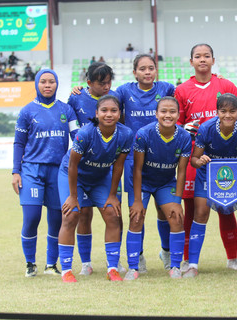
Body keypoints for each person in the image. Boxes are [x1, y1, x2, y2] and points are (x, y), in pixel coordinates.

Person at [175, 43, 237, 272]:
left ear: (213, 60)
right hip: (195, 159)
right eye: (198, 56)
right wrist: (185, 128)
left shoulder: (226, 85)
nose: (202, 59)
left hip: (226, 159)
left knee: (227, 206)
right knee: (192, 210)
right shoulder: (182, 90)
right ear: (191, 62)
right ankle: (188, 259)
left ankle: (232, 259)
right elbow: (176, 124)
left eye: (207, 56)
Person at [183, 93, 237, 278]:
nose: (228, 115)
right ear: (217, 111)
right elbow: (194, 159)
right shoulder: (206, 128)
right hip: (208, 176)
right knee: (201, 214)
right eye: (223, 111)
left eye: (232, 111)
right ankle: (193, 266)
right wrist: (200, 160)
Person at [57, 95, 133, 282]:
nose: (109, 114)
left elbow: (118, 166)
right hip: (74, 176)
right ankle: (66, 270)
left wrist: (113, 195)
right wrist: (73, 196)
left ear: (119, 113)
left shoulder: (125, 134)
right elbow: (73, 165)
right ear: (96, 113)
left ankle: (112, 268)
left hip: (100, 177)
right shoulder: (85, 134)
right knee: (71, 214)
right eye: (104, 110)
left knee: (112, 214)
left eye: (113, 111)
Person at [11, 69, 79, 277]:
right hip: (32, 170)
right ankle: (30, 263)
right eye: (43, 82)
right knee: (32, 217)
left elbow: (77, 137)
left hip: (58, 172)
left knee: (57, 220)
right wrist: (16, 171)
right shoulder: (27, 111)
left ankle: (51, 265)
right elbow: (19, 143)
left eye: (51, 82)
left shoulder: (66, 110)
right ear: (37, 84)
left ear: (57, 84)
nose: (47, 85)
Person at [116, 54, 177, 272]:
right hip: (135, 162)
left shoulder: (167, 88)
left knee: (165, 211)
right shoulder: (124, 91)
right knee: (137, 212)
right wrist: (81, 91)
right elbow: (105, 103)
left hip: (163, 160)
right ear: (135, 73)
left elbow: (184, 101)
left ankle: (167, 253)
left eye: (151, 68)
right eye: (142, 69)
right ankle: (138, 257)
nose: (148, 72)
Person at [127, 97, 192, 280]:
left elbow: (181, 172)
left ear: (178, 115)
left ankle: (175, 266)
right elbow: (138, 170)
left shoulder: (184, 137)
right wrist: (138, 200)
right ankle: (134, 266)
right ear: (156, 114)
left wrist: (178, 201)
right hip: (144, 182)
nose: (167, 115)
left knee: (176, 216)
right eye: (163, 111)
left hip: (166, 182)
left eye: (172, 111)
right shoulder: (143, 134)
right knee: (136, 217)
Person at [67, 62, 120, 276]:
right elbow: (71, 126)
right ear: (88, 83)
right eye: (101, 83)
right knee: (84, 214)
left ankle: (114, 262)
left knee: (113, 212)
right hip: (82, 163)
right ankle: (86, 263)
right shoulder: (76, 97)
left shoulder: (116, 97)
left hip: (105, 165)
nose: (106, 87)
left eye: (109, 82)